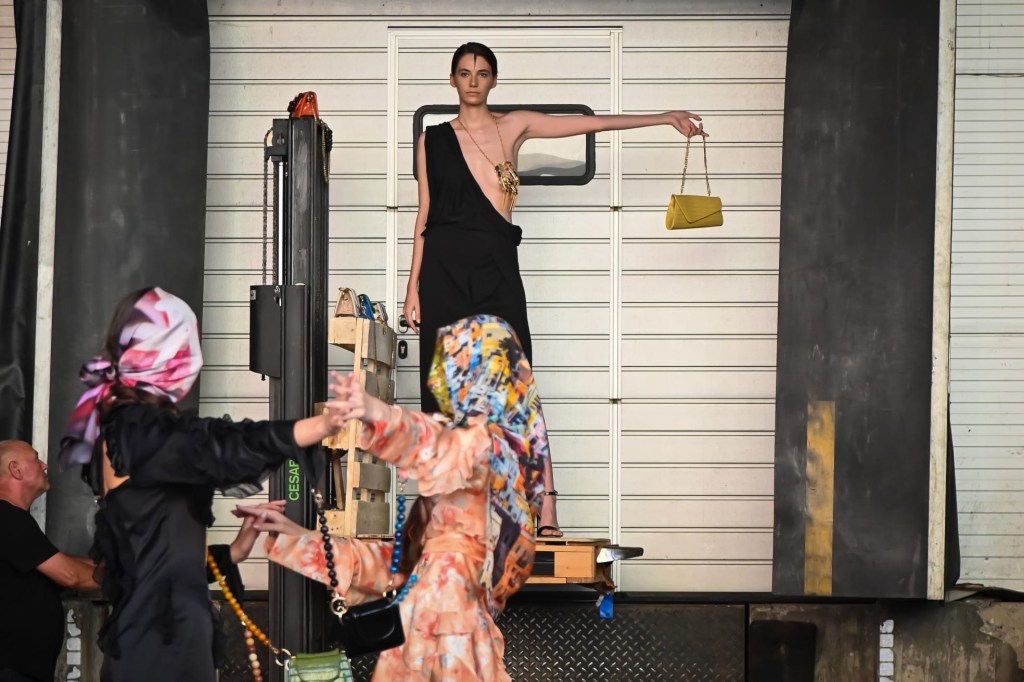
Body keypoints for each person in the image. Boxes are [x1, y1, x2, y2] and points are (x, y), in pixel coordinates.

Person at [402, 41, 709, 537]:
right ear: (452, 80)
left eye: (482, 72)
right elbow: (424, 215)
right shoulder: (431, 140)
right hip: (442, 272)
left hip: (496, 267)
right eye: (465, 72)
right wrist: (412, 287)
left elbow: (590, 124)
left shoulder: (513, 125)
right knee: (444, 387)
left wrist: (662, 117)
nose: (473, 81)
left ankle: (545, 505)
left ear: (493, 80)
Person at [56, 286, 346, 682]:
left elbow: (156, 550)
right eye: (184, 345)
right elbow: (221, 446)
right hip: (161, 643)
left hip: (162, 636)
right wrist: (316, 427)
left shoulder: (130, 430)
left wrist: (237, 550)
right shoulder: (138, 430)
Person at [244, 314, 548, 681]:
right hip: (426, 639)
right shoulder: (447, 511)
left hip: (452, 642)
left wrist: (378, 413)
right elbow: (392, 568)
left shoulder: (489, 448)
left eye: (463, 365)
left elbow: (433, 442)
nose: (451, 377)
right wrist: (295, 534)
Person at [0, 440, 99, 682]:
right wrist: (132, 572)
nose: (44, 465)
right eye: (36, 459)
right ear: (15, 469)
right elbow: (71, 575)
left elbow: (53, 561)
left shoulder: (13, 519)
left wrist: (103, 564)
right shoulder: (8, 518)